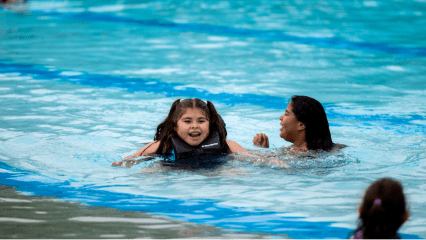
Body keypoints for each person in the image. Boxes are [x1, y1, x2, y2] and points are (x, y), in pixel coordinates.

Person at [112, 98, 283, 167]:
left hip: (213, 172)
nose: (195, 126)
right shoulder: (161, 146)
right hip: (172, 171)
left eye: (201, 121)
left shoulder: (227, 146)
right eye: (187, 121)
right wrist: (122, 163)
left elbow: (253, 159)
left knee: (234, 173)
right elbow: (128, 160)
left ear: (210, 125)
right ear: (175, 126)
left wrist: (271, 161)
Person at [253, 95, 342, 152]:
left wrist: (261, 151)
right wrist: (264, 150)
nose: (281, 117)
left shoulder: (296, 154)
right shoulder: (335, 149)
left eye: (286, 114)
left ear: (301, 125)